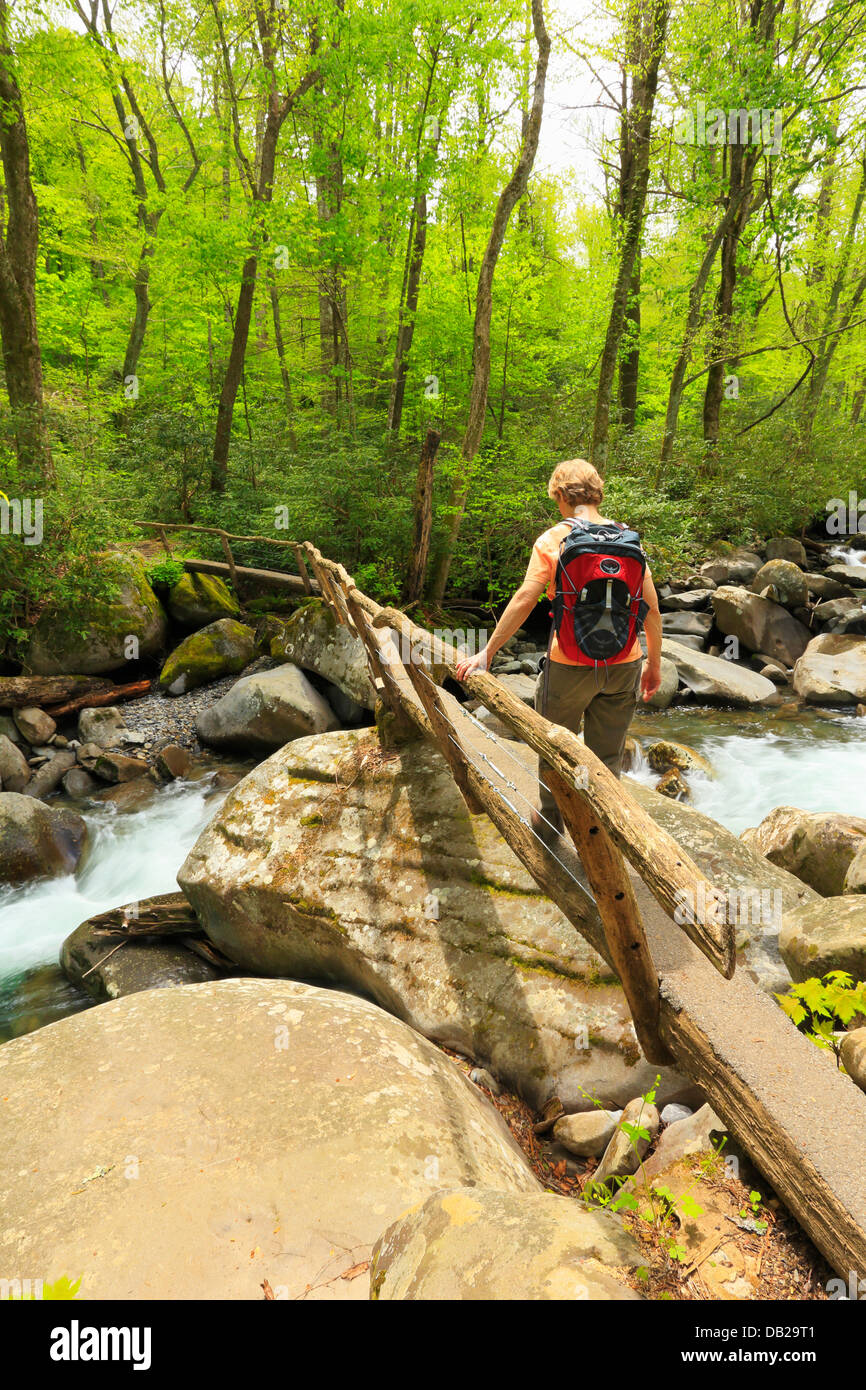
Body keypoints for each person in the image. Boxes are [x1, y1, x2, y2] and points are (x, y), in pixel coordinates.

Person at [455, 458, 662, 843]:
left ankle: (552, 823)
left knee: (555, 748)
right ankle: (602, 833)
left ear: (562, 496)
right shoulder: (628, 540)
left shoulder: (555, 539)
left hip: (568, 665)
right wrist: (654, 665)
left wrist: (486, 654)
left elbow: (524, 599)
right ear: (596, 492)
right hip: (625, 664)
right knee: (607, 759)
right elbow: (650, 611)